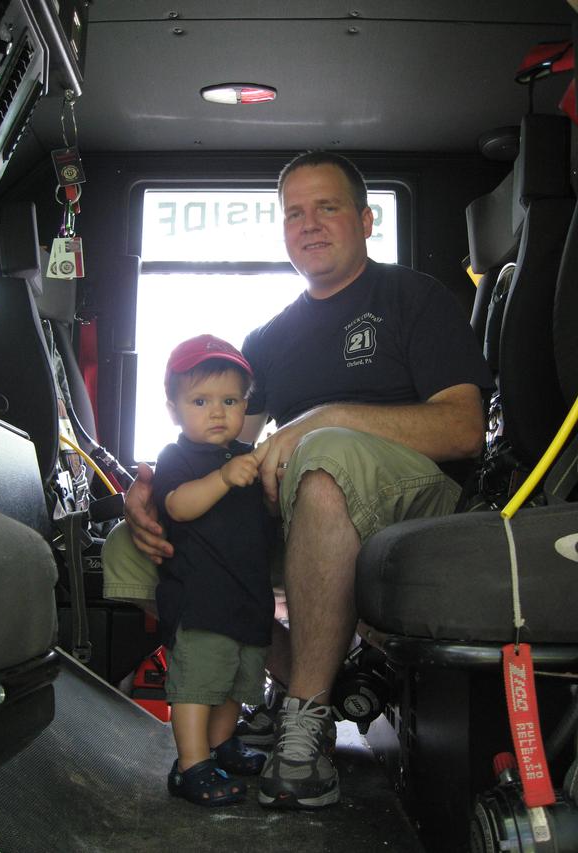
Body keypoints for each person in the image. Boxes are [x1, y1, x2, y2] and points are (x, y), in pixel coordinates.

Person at [105, 151, 493, 810]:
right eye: (294, 213)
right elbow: (222, 441)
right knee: (129, 542)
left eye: (328, 207)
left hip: (417, 505)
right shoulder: (270, 335)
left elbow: (463, 428)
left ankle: (304, 724)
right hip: (311, 502)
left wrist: (326, 417)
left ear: (367, 219)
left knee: (323, 456)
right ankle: (271, 678)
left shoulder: (412, 297)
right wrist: (147, 484)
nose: (309, 224)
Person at [151, 334, 275, 807]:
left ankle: (221, 746)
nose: (217, 412)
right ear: (174, 409)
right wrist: (223, 478)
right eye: (200, 401)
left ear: (246, 405)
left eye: (230, 400)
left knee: (234, 685)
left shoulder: (244, 458)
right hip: (200, 601)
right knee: (197, 685)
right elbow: (179, 507)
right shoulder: (177, 458)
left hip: (247, 598)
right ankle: (191, 765)